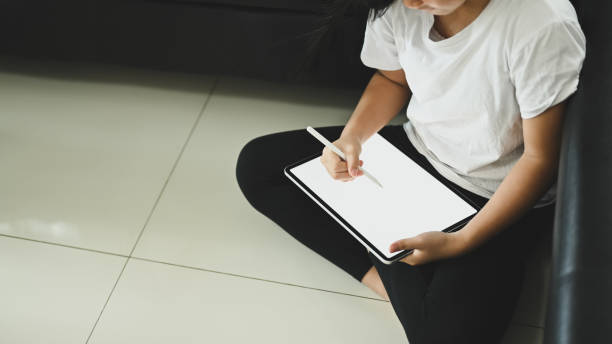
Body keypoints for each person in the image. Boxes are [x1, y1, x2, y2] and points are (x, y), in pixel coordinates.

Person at [235, 0, 586, 342]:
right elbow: (392, 81)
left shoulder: (541, 23)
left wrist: (461, 242)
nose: (415, 3)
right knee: (259, 165)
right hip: (416, 153)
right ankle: (385, 274)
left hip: (495, 194)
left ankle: (385, 245)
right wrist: (352, 138)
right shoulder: (397, 6)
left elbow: (540, 160)